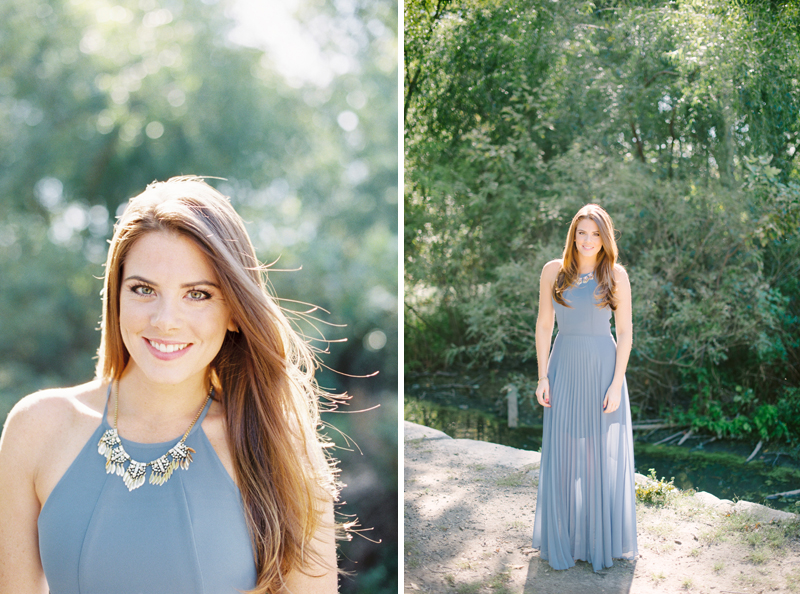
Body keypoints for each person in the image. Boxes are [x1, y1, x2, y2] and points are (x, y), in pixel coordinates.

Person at [0, 176, 340, 594]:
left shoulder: (278, 446)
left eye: (197, 294)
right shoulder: (37, 429)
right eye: (143, 289)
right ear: (116, 296)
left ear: (235, 311)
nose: (165, 320)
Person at [531, 203, 638, 572]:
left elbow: (624, 333)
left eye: (595, 234)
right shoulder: (553, 272)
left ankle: (596, 543)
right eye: (582, 232)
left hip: (602, 369)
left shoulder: (616, 275)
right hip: (564, 365)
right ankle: (564, 537)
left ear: (604, 238)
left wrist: (617, 382)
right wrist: (543, 375)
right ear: (572, 235)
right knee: (561, 455)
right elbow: (545, 325)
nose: (588, 240)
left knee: (595, 458)